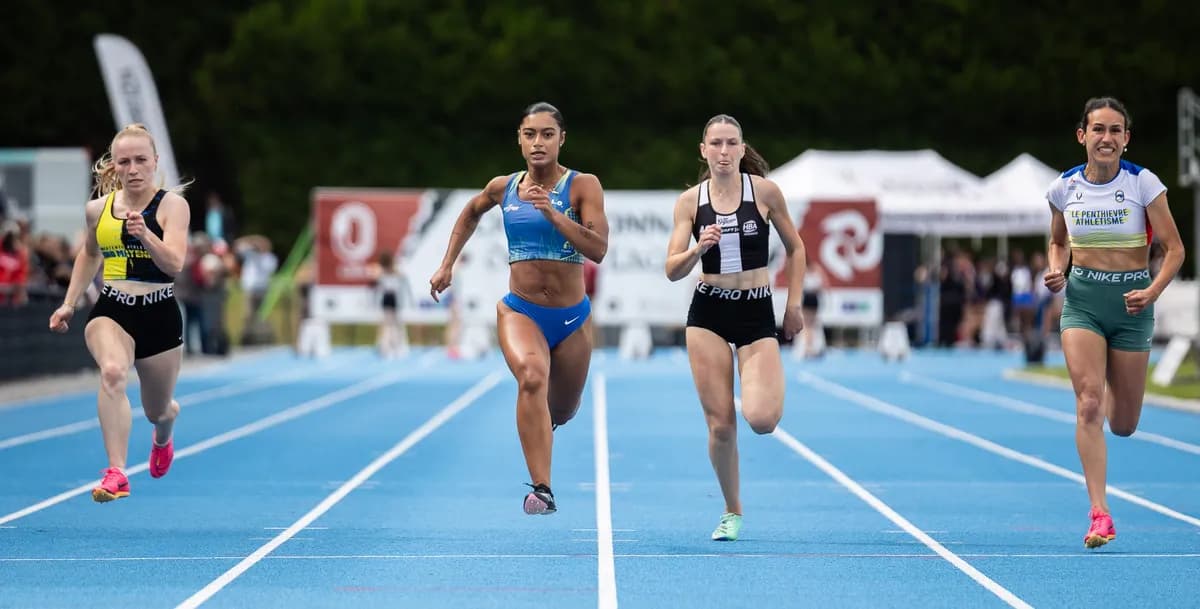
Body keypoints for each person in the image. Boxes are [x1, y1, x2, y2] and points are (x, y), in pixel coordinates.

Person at [429, 102, 608, 515]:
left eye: (547, 134)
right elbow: (470, 213)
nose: (538, 143)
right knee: (531, 377)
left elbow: (598, 248)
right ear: (520, 140)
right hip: (520, 311)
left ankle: (545, 430)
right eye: (530, 134)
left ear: (561, 139)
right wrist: (446, 264)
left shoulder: (583, 186)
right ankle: (542, 489)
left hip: (572, 318)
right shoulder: (502, 187)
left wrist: (551, 211)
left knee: (561, 410)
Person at [1044, 97, 1184, 548]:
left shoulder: (1144, 184)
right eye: (1098, 130)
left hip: (1131, 309)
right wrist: (1056, 268)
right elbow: (1057, 241)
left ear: (1126, 139)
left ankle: (1107, 378)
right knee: (1088, 404)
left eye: (1116, 131)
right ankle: (1099, 513)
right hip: (1083, 304)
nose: (1107, 138)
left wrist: (1153, 290)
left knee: (1123, 423)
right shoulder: (1063, 188)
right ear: (1082, 136)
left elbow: (1175, 249)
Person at [665, 114, 806, 541]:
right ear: (703, 150)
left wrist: (794, 304)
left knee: (761, 419)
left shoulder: (763, 193)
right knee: (722, 425)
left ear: (742, 150)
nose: (724, 152)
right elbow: (671, 269)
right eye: (716, 144)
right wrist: (697, 248)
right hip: (709, 311)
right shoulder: (690, 202)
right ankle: (731, 510)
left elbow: (796, 248)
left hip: (755, 311)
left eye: (731, 144)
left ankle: (765, 382)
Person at [48, 123, 191, 503]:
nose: (133, 169)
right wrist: (70, 302)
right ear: (114, 166)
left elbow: (174, 263)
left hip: (159, 313)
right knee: (112, 372)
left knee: (156, 409)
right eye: (124, 161)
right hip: (113, 309)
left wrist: (146, 235)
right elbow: (90, 254)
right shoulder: (98, 209)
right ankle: (116, 472)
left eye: (141, 160)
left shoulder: (173, 206)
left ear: (155, 162)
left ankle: (166, 429)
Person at [370, 249, 412, 359]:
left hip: (393, 299)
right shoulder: (383, 272)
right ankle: (387, 347)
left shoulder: (395, 272)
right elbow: (377, 284)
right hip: (388, 299)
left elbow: (404, 284)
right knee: (389, 325)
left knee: (394, 324)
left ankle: (395, 347)